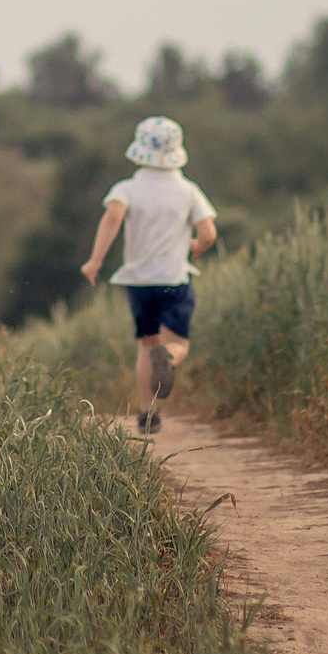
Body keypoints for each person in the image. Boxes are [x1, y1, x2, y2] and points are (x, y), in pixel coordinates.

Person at [79, 116, 217, 435]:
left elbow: (113, 216)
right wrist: (196, 246)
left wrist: (95, 260)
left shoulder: (127, 188)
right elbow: (208, 233)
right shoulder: (188, 191)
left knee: (145, 344)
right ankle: (169, 357)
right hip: (174, 279)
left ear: (138, 150)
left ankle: (147, 412)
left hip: (139, 282)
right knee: (177, 343)